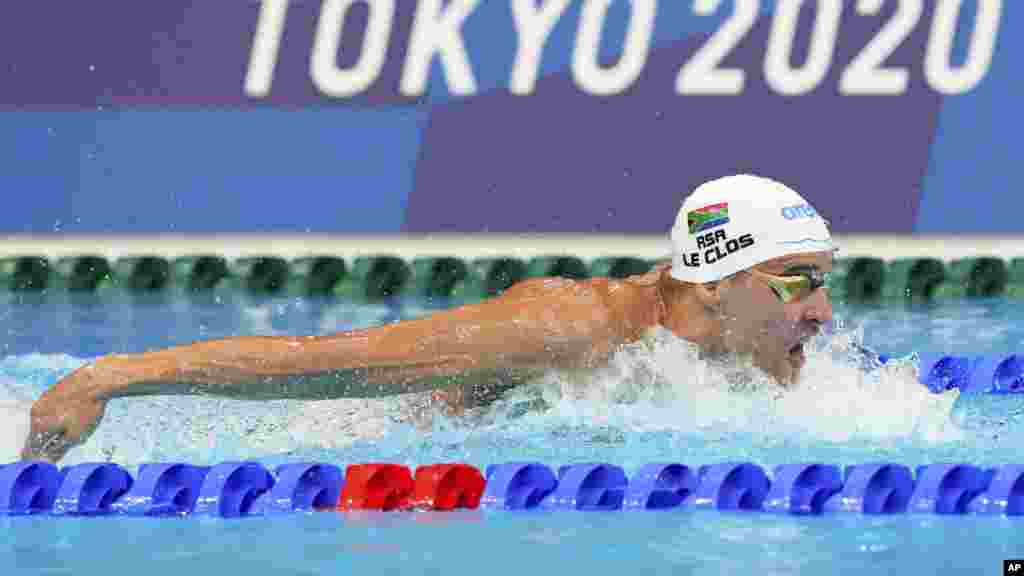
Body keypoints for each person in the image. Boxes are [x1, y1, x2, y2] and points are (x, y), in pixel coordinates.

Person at [21, 174, 835, 463]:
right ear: (717, 282)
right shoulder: (570, 331)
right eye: (798, 280)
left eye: (828, 282)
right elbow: (321, 363)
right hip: (359, 460)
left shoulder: (757, 348)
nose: (822, 312)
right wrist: (115, 376)